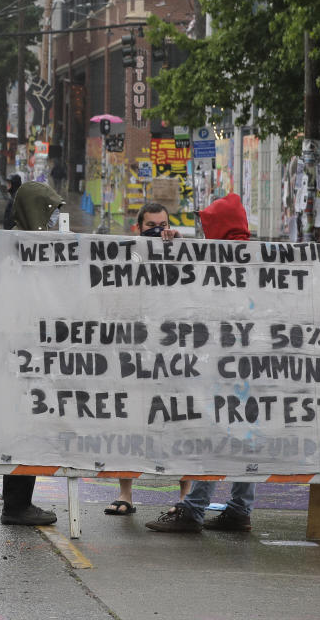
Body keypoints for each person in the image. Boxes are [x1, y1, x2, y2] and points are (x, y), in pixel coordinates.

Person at [145, 193, 256, 533]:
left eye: (209, 225)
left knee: (213, 434)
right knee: (243, 436)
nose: (204, 232)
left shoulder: (223, 257)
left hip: (221, 366)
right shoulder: (256, 256)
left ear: (219, 227)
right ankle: (239, 508)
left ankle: (193, 509)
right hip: (253, 368)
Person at [104, 202, 189, 516]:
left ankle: (185, 500)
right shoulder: (128, 255)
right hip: (136, 351)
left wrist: (178, 249)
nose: (157, 230)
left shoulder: (178, 252)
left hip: (174, 354)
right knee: (131, 421)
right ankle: (126, 493)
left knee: (181, 423)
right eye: (150, 225)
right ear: (137, 228)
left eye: (162, 224)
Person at [0, 181, 62, 526]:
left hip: (32, 352)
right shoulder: (14, 247)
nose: (54, 220)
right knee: (21, 429)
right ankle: (17, 504)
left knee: (29, 427)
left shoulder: (34, 246)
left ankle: (21, 500)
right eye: (50, 212)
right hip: (19, 355)